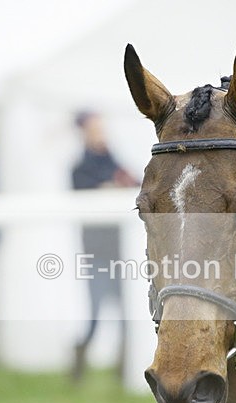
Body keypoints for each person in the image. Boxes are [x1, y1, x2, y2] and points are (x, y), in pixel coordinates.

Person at [70, 111, 139, 383]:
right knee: (95, 317)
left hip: (118, 253)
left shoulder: (112, 159)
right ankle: (78, 368)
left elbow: (133, 180)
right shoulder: (79, 168)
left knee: (124, 317)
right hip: (96, 252)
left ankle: (123, 375)